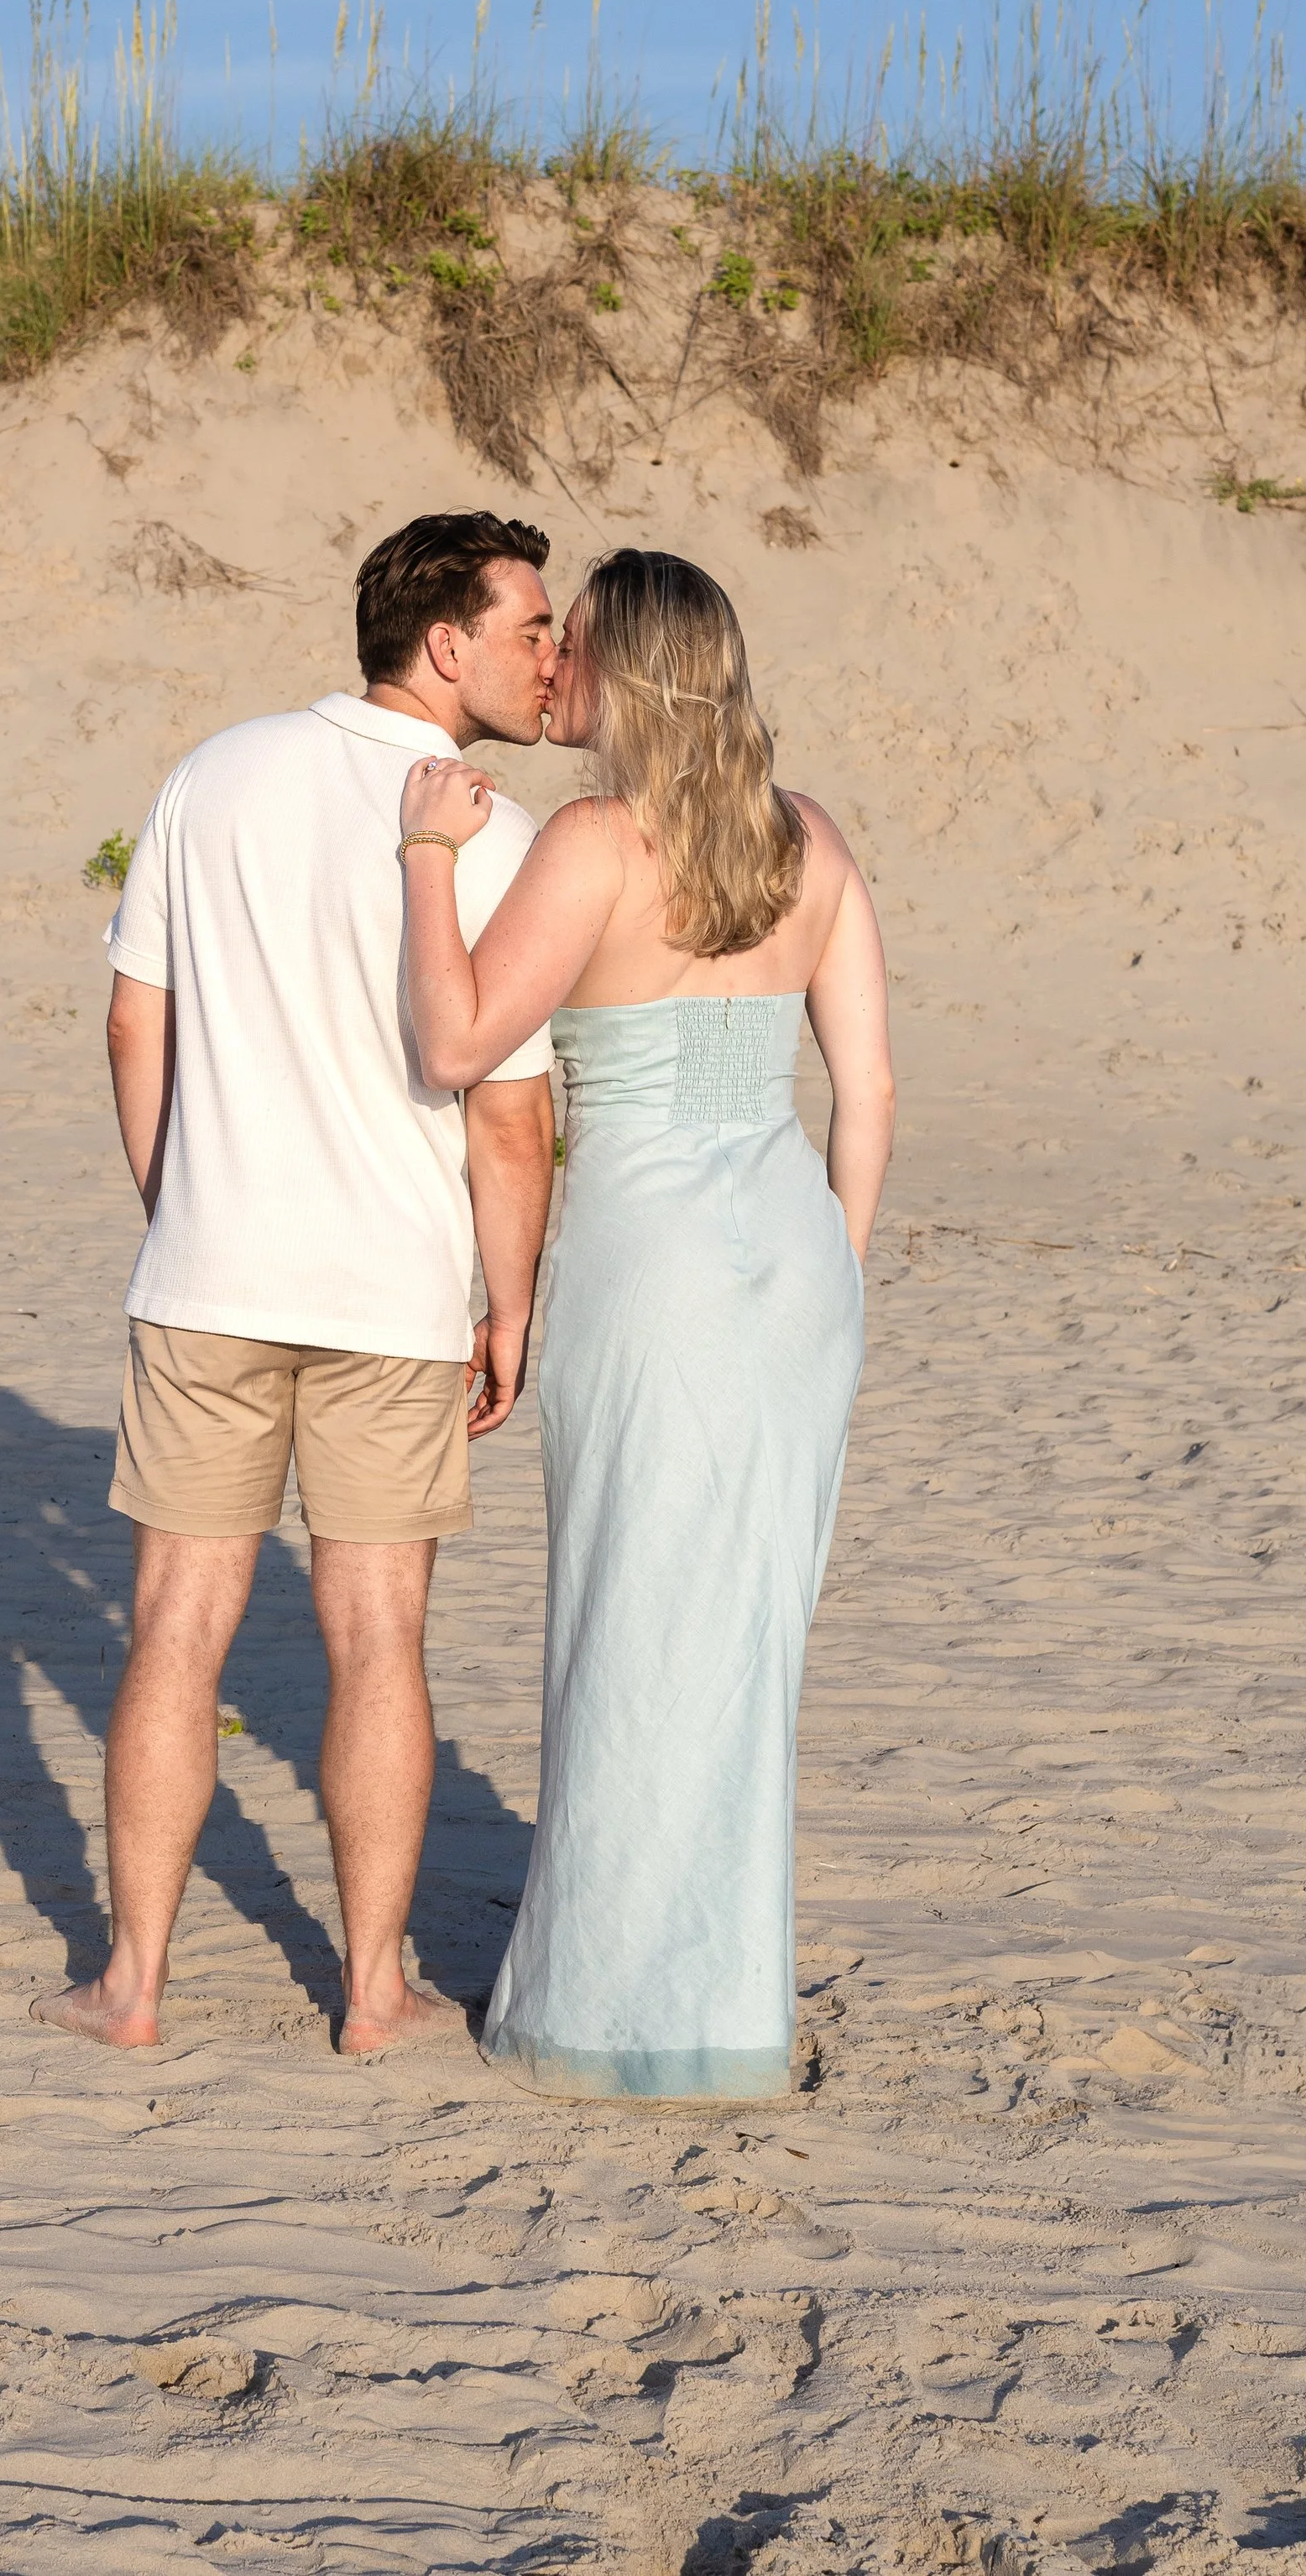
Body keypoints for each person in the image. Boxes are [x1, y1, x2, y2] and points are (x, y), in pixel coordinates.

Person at [36, 511, 561, 2059]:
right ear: (445, 643)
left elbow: (139, 1021)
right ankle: (372, 1985)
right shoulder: (497, 833)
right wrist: (509, 1297)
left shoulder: (216, 772)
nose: (552, 654)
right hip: (394, 1290)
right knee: (376, 1636)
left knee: (175, 1629)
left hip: (210, 1269)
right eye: (529, 625)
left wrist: (173, 1193)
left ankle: (132, 1981)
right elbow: (511, 1112)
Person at [396, 547, 895, 2100]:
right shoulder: (806, 839)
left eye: (576, 649)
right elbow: (866, 1094)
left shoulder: (599, 844)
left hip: (650, 1270)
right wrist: (839, 1274)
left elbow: (461, 1035)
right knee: (746, 1643)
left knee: (628, 1630)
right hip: (796, 1273)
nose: (555, 673)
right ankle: (724, 2004)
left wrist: (427, 857)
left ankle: (606, 2012)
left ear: (631, 673)